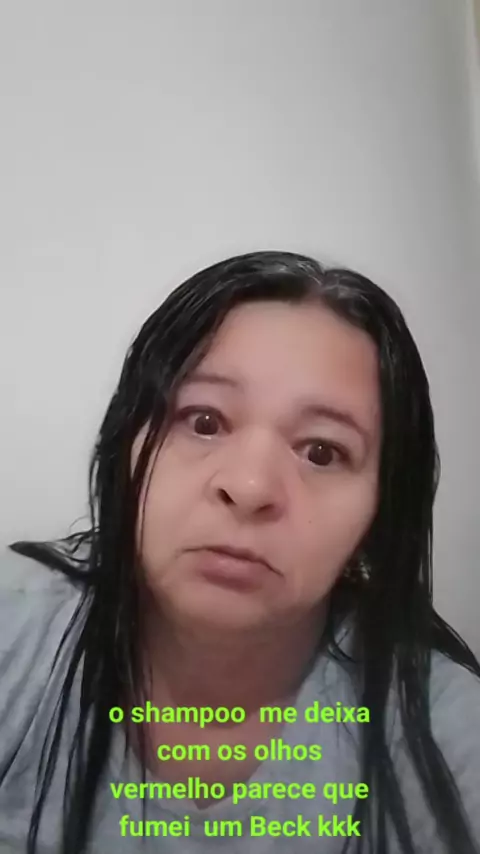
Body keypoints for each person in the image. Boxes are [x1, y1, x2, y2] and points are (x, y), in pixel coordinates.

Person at [0, 250, 479, 854]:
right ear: (125, 447)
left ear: (378, 514)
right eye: (203, 421)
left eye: (322, 452)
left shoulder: (442, 726)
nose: (250, 487)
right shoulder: (19, 629)